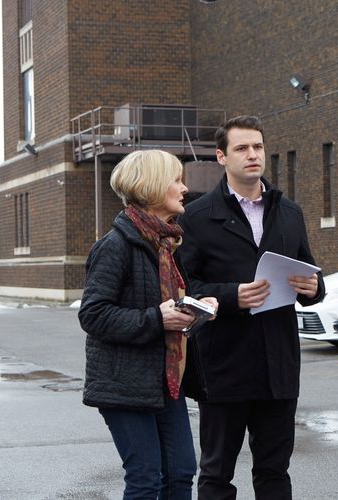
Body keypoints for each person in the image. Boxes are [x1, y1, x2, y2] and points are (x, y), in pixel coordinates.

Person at [177, 115, 325, 499]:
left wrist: (314, 287)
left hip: (279, 365)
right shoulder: (196, 217)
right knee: (216, 473)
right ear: (221, 157)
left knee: (275, 471)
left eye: (257, 146)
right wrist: (232, 297)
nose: (252, 154)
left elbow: (310, 272)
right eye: (242, 148)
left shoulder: (289, 212)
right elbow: (187, 287)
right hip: (225, 364)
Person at [78, 149, 219, 498]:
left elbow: (171, 318)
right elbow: (93, 314)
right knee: (145, 479)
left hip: (164, 382)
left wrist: (196, 311)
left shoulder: (165, 244)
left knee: (181, 472)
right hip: (124, 385)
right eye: (175, 179)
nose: (183, 188)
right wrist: (158, 317)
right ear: (153, 186)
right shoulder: (115, 246)